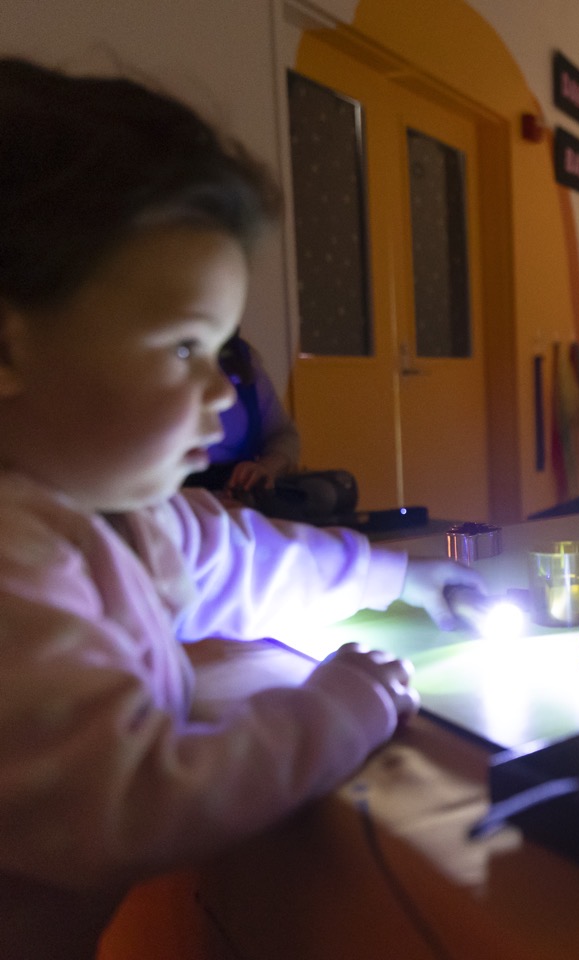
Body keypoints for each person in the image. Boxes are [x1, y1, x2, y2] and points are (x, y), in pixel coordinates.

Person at [0, 58, 486, 959]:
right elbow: (139, 797)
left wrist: (399, 577)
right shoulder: (13, 556)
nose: (226, 392)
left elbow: (240, 559)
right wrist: (344, 704)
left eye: (224, 349)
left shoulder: (123, 512)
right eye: (184, 347)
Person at [183, 331, 301, 496]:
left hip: (235, 496)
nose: (223, 394)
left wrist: (265, 468)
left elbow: (283, 435)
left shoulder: (241, 359)